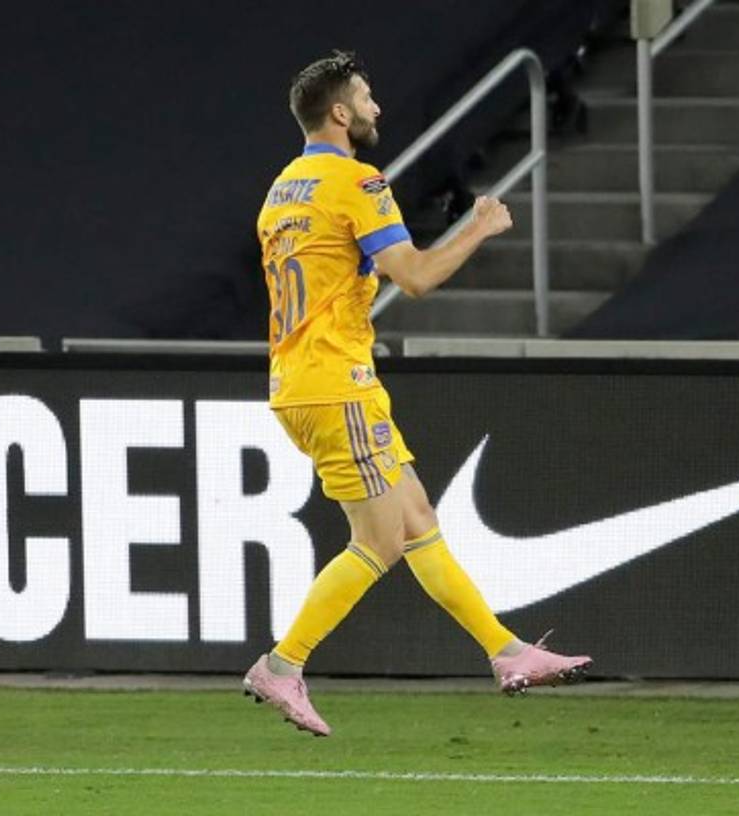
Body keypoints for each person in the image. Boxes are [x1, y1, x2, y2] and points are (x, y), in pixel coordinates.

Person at [243, 51, 591, 737]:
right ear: (339, 113)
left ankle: (506, 651)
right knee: (378, 542)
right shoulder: (356, 181)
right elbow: (419, 275)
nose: (376, 107)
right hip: (337, 383)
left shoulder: (282, 190)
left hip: (301, 381)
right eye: (366, 97)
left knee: (418, 523)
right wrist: (480, 227)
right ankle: (283, 666)